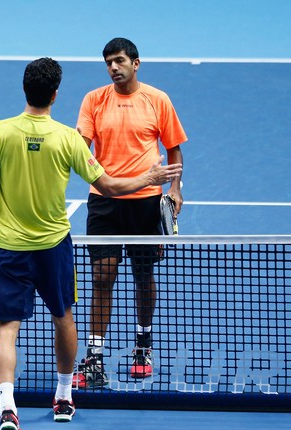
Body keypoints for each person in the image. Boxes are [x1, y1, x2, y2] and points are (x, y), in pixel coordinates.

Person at [0, 58, 182, 430]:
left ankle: (7, 406)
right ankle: (64, 396)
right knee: (63, 317)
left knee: (7, 328)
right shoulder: (68, 139)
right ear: (54, 94)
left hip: (9, 247)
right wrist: (152, 177)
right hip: (53, 247)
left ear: (25, 89)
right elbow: (112, 187)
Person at [74, 37, 188, 388]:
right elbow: (81, 148)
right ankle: (95, 355)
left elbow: (174, 151)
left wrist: (174, 189)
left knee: (142, 275)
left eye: (120, 60)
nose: (113, 67)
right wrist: (99, 173)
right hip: (105, 200)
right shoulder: (94, 100)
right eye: (108, 62)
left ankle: (143, 343)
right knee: (101, 277)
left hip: (145, 203)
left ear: (136, 63)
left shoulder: (158, 100)